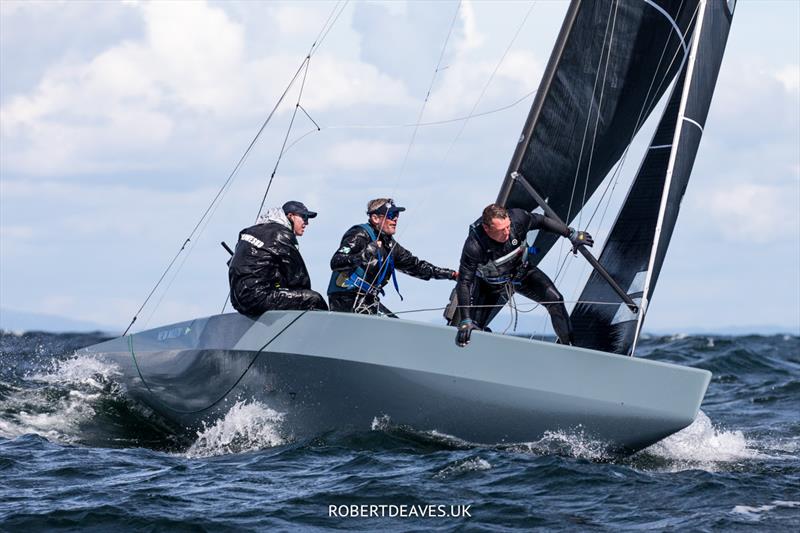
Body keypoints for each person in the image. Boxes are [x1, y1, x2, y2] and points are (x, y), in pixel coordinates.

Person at [453, 203, 593, 347]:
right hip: (489, 285)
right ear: (487, 228)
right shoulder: (474, 245)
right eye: (501, 230)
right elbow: (464, 282)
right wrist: (465, 320)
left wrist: (571, 233)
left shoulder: (518, 219)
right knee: (472, 330)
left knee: (556, 300)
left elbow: (542, 221)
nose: (507, 232)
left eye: (508, 226)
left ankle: (568, 347)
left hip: (521, 273)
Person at [328, 198, 457, 315]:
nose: (395, 219)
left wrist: (452, 275)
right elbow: (336, 262)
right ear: (375, 218)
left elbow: (417, 267)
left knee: (398, 331)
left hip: (368, 300)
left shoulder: (390, 245)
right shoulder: (359, 234)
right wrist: (365, 254)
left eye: (396, 215)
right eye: (390, 215)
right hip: (346, 300)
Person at [229, 200, 328, 317]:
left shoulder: (249, 231)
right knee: (314, 299)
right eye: (304, 217)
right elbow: (299, 279)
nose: (306, 223)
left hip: (237, 300)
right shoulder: (282, 234)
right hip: (259, 298)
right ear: (290, 216)